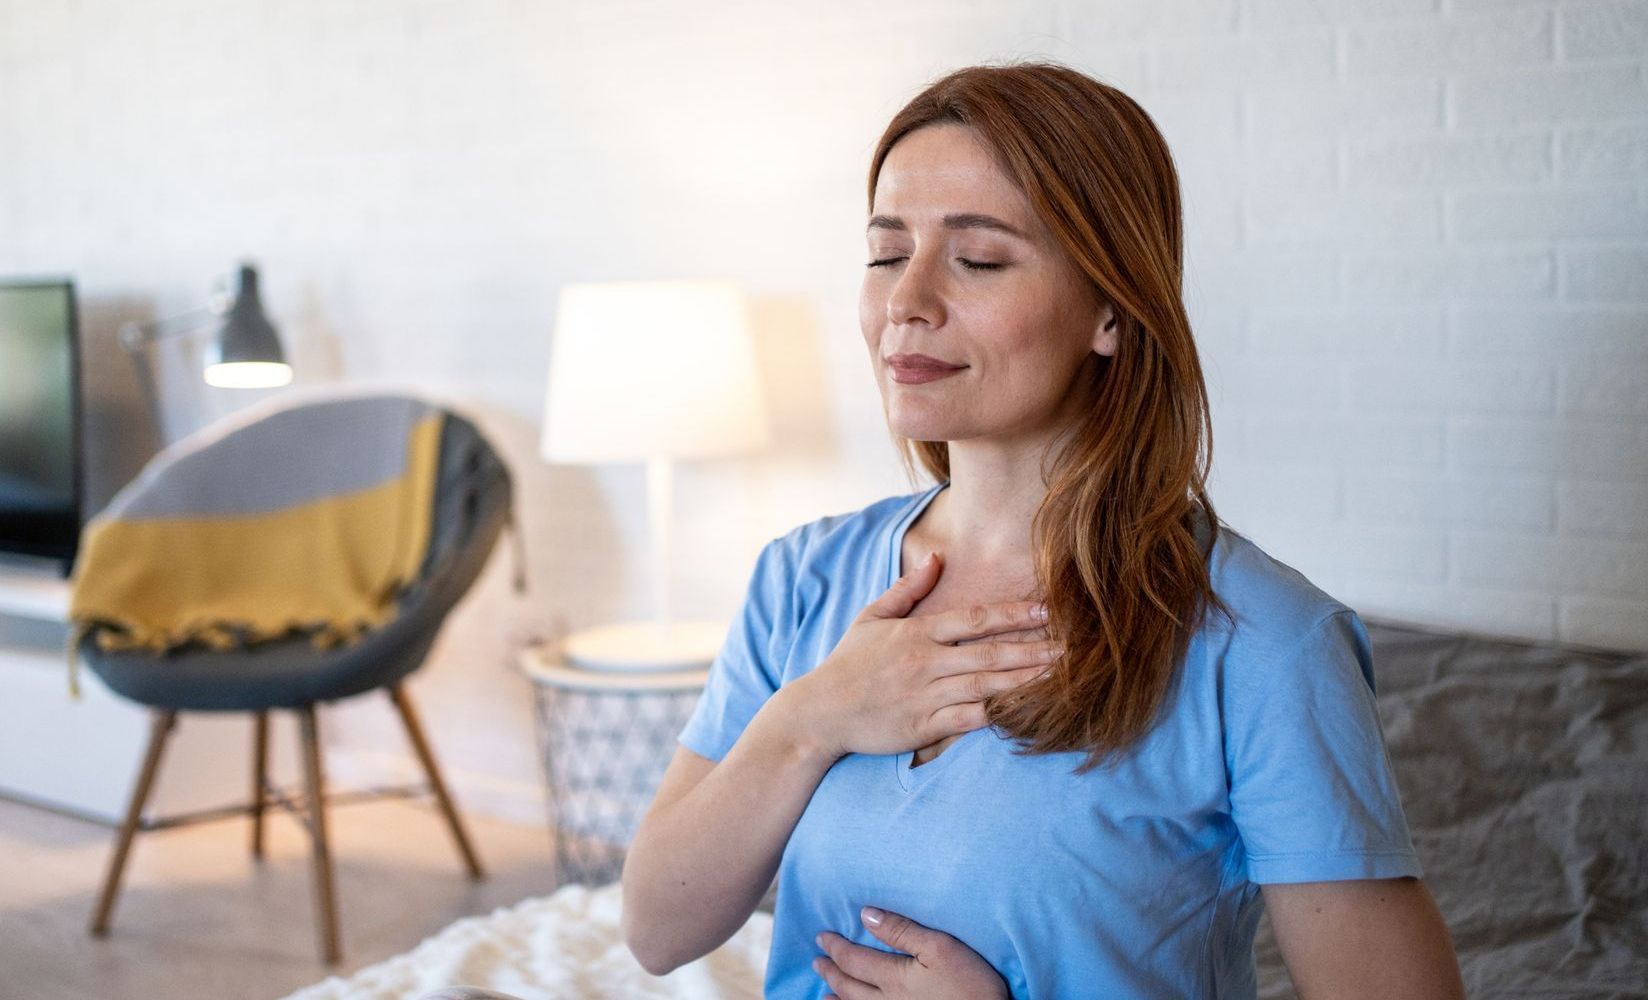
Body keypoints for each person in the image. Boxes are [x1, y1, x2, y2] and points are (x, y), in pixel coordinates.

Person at [620, 61, 1466, 999]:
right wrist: (809, 719)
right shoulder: (802, 578)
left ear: (1111, 308)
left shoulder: (1265, 646)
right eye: (887, 252)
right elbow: (657, 930)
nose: (908, 299)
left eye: (978, 259)